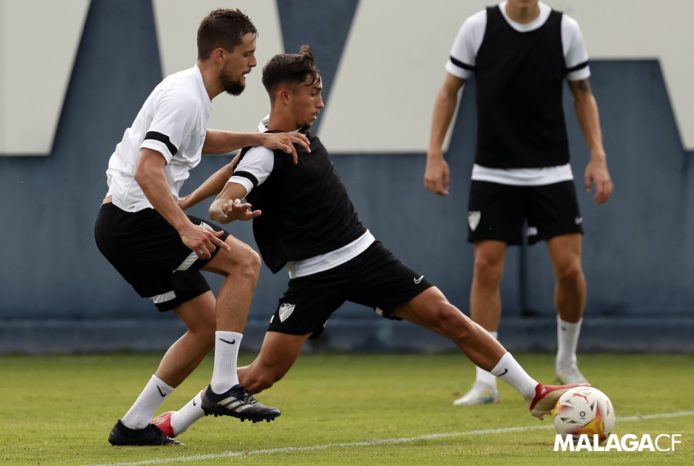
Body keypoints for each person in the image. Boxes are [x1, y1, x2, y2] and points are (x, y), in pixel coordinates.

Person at [148, 45, 584, 439]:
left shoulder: (275, 135)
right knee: (263, 373)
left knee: (447, 316)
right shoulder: (264, 152)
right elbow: (236, 185)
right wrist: (225, 209)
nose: (319, 103)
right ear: (285, 96)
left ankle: (534, 392)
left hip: (365, 256)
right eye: (312, 93)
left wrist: (188, 197)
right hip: (314, 278)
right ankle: (174, 420)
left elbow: (230, 167)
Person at [94, 9, 311, 446]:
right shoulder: (185, 97)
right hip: (138, 220)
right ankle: (226, 386)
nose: (253, 63)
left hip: (122, 224)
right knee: (244, 264)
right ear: (219, 54)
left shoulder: (190, 95)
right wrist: (184, 228)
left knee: (207, 325)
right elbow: (147, 171)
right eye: (247, 54)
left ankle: (133, 425)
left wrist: (259, 138)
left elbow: (199, 140)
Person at [423, 0, 613, 406]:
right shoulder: (478, 27)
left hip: (552, 171)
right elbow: (447, 91)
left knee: (570, 270)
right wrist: (434, 154)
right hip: (494, 172)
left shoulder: (565, 30)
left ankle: (567, 361)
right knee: (486, 268)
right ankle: (486, 381)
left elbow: (583, 94)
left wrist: (598, 156)